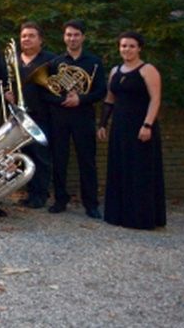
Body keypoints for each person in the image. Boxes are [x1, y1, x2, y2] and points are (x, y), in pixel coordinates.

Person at [97, 32, 165, 230]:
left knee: (140, 171)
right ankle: (120, 216)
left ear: (139, 48)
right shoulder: (115, 71)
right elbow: (110, 100)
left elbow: (155, 99)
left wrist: (147, 125)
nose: (127, 49)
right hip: (120, 128)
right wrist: (102, 124)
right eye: (123, 46)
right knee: (120, 169)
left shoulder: (148, 70)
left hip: (140, 127)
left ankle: (141, 218)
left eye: (131, 46)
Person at [45, 20, 105, 218]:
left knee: (87, 160)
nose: (72, 38)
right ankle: (60, 200)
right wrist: (63, 99)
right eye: (69, 35)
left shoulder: (94, 62)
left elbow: (101, 91)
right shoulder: (55, 63)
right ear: (64, 37)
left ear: (83, 37)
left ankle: (91, 204)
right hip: (60, 116)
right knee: (59, 159)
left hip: (83, 116)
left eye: (76, 35)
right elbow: (47, 91)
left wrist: (81, 98)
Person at [4, 22, 55, 209]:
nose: (26, 39)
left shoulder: (50, 60)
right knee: (25, 156)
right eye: (24, 36)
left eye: (31, 35)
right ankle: (29, 193)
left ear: (40, 39)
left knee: (41, 157)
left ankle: (40, 195)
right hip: (19, 116)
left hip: (41, 115)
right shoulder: (14, 60)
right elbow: (7, 83)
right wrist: (8, 96)